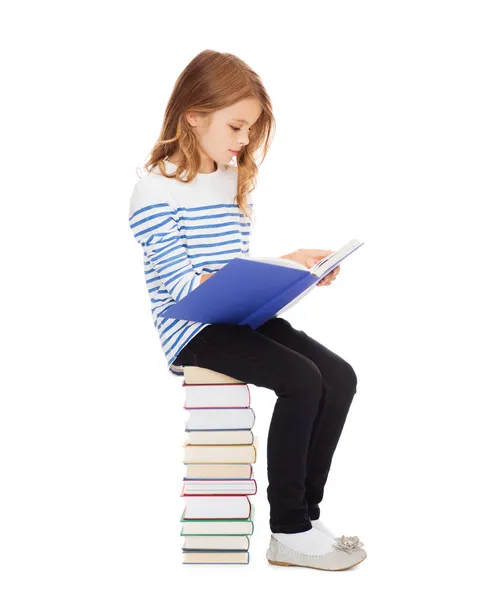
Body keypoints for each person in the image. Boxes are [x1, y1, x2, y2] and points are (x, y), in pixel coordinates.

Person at [128, 49, 366, 571]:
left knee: (339, 376)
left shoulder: (232, 179)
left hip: (236, 317)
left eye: (250, 130)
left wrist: (292, 265)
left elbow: (231, 266)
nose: (242, 141)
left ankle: (306, 514)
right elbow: (182, 285)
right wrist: (233, 282)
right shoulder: (154, 190)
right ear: (193, 115)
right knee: (302, 380)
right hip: (193, 329)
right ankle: (288, 530)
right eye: (236, 126)